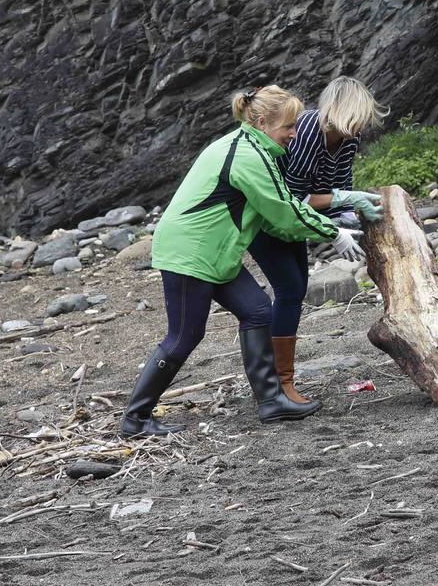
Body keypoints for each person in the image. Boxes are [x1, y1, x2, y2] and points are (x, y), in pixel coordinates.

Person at [122, 84, 356, 437]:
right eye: (288, 127)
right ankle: (135, 419)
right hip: (192, 251)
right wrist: (335, 234)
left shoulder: (252, 147)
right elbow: (283, 211)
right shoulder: (248, 157)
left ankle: (272, 401)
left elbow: (276, 210)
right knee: (184, 335)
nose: (295, 133)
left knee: (258, 310)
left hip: (214, 251)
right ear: (262, 122)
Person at [246, 76, 387, 406]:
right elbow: (295, 198)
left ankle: (278, 381)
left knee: (294, 290)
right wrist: (340, 211)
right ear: (343, 108)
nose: (363, 123)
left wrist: (350, 215)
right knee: (289, 290)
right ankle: (278, 384)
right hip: (269, 220)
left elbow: (334, 193)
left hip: (295, 224)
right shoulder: (308, 129)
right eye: (360, 114)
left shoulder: (348, 139)